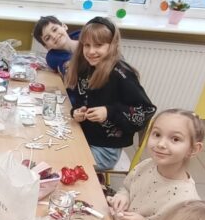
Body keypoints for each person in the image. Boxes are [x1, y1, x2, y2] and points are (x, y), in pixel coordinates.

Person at [108, 109, 204, 220]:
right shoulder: (147, 165)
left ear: (193, 149)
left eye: (175, 139)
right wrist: (123, 197)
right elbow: (127, 187)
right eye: (157, 134)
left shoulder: (187, 202)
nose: (160, 144)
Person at [63, 16, 155, 171]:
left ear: (112, 45)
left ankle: (95, 182)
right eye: (87, 45)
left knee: (63, 161)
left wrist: (109, 112)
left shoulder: (122, 74)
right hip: (84, 137)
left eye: (98, 45)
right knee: (54, 152)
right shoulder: (85, 68)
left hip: (105, 151)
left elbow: (145, 111)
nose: (91, 51)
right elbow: (81, 99)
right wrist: (76, 112)